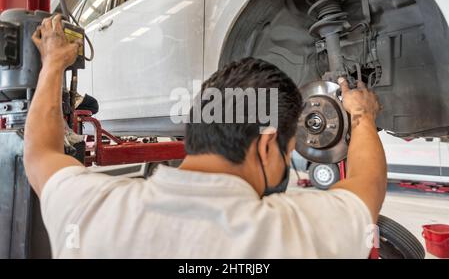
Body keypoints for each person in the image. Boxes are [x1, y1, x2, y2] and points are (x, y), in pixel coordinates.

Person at [24, 14, 386, 258]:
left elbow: (39, 154)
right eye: (288, 150)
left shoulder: (92, 210)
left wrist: (54, 62)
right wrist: (361, 114)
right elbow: (368, 186)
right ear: (264, 145)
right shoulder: (297, 231)